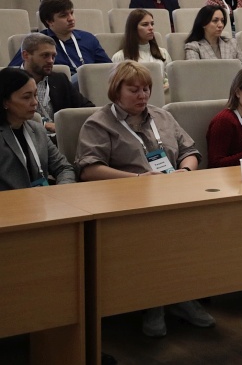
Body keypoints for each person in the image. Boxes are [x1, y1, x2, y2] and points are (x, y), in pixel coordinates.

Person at [73, 60, 215, 337]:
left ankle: (183, 296)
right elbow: (89, 169)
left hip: (172, 194)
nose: (143, 96)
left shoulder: (163, 117)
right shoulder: (99, 123)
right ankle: (154, 303)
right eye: (134, 90)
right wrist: (138, 179)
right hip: (126, 200)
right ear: (116, 91)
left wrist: (186, 171)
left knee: (204, 226)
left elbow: (190, 151)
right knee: (157, 232)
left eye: (146, 89)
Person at [0, 67, 75, 190]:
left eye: (35, 95)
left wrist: (62, 190)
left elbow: (64, 167)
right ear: (5, 102)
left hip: (42, 198)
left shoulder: (37, 129)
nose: (35, 102)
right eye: (26, 97)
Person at [9, 0, 112, 79]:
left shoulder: (88, 38)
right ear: (50, 21)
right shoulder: (38, 42)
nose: (71, 19)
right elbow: (13, 72)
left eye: (71, 13)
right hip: (56, 87)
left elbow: (109, 68)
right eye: (64, 15)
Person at [19, 33, 94, 138]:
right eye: (45, 55)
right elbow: (7, 115)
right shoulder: (10, 81)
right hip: (28, 138)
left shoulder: (60, 80)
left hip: (61, 138)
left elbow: (87, 109)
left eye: (53, 56)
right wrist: (44, 124)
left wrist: (66, 125)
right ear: (26, 55)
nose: (51, 61)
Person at [111, 9, 172, 90]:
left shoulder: (163, 52)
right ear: (133, 28)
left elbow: (171, 78)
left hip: (162, 93)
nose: (151, 28)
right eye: (145, 25)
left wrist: (168, 84)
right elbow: (116, 87)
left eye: (152, 24)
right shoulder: (120, 56)